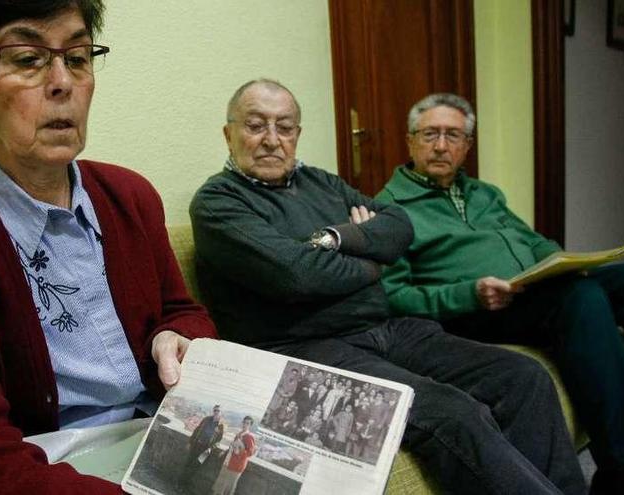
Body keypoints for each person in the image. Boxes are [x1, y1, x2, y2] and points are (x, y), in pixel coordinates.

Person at [0, 2, 216, 493]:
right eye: (28, 58)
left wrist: (175, 335)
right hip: (41, 473)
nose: (62, 83)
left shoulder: (130, 195)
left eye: (77, 57)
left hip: (159, 443)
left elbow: (183, 310)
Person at [190, 78, 587, 494]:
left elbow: (399, 227)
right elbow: (295, 275)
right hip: (304, 352)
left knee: (523, 376)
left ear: (297, 135)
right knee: (455, 414)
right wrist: (371, 264)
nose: (272, 139)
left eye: (284, 127)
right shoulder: (219, 203)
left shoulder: (320, 182)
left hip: (389, 329)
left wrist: (334, 242)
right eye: (256, 125)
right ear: (228, 133)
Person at [376, 92, 624, 495]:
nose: (441, 146)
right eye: (430, 134)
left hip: (532, 289)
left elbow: (533, 240)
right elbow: (394, 295)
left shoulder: (484, 194)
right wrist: (468, 294)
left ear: (467, 146)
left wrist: (563, 259)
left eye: (453, 136)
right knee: (581, 299)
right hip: (479, 310)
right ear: (410, 141)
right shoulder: (390, 209)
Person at [182, 405, 226, 486]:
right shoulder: (206, 419)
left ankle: (185, 484)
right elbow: (197, 430)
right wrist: (190, 442)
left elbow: (218, 441)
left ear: (221, 413)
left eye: (218, 411)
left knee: (196, 467)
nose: (216, 412)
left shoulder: (221, 426)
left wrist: (211, 448)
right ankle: (180, 483)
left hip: (205, 450)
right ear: (213, 411)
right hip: (196, 445)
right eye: (215, 410)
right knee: (188, 463)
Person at [211, 416, 257, 495]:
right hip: (228, 462)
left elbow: (250, 453)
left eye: (247, 423)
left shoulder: (249, 437)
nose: (245, 424)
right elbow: (232, 447)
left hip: (236, 466)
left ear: (250, 426)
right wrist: (225, 452)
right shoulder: (239, 434)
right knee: (221, 484)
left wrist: (239, 452)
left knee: (227, 487)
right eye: (244, 422)